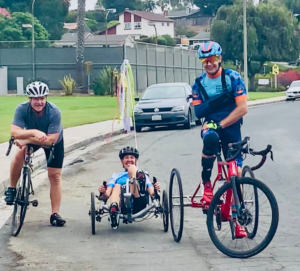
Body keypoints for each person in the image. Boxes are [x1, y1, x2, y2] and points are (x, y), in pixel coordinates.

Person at [192, 41, 248, 238]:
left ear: (220, 58)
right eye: (205, 60)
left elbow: (242, 108)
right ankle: (207, 184)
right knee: (210, 139)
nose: (209, 63)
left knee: (237, 173)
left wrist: (220, 122)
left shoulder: (233, 77)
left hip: (231, 128)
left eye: (213, 59)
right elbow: (198, 112)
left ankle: (238, 218)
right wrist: (221, 105)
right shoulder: (199, 84)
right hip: (211, 129)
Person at [4, 82, 66, 227]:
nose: (39, 102)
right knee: (19, 155)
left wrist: (25, 140)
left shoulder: (54, 112)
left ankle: (55, 214)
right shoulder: (21, 109)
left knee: (55, 176)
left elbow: (51, 139)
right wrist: (34, 133)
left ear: (46, 98)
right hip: (33, 138)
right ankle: (12, 188)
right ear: (29, 99)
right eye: (35, 98)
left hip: (53, 142)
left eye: (42, 98)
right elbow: (14, 131)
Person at [98, 146, 161, 229]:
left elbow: (152, 193)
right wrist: (102, 191)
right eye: (126, 158)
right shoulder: (116, 176)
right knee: (117, 186)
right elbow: (107, 194)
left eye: (132, 157)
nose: (129, 160)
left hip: (138, 200)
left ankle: (139, 183)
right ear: (122, 161)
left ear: (136, 161)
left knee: (133, 172)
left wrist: (156, 188)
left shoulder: (144, 175)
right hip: (122, 204)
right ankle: (114, 209)